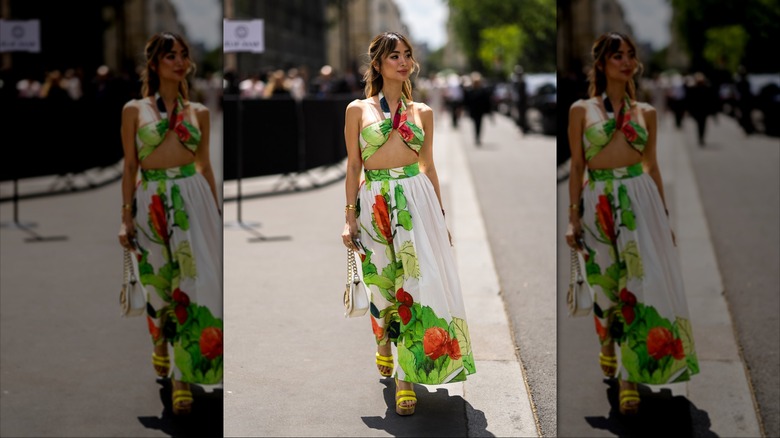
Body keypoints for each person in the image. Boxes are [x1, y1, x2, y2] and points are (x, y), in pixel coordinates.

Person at [342, 32, 476, 416]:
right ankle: (382, 342)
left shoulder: (424, 113)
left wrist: (440, 216)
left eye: (407, 55)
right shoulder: (357, 109)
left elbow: (428, 166)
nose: (403, 61)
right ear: (378, 63)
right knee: (382, 287)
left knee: (413, 288)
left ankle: (405, 378)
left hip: (416, 202)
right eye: (394, 56)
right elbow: (353, 166)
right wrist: (348, 217)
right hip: (375, 203)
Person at [565, 32, 699, 416]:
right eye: (617, 55)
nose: (626, 61)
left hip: (640, 202)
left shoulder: (647, 113)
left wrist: (664, 217)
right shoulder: (581, 110)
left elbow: (652, 166)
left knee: (636, 289)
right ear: (602, 63)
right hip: (598, 202)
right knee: (605, 288)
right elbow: (577, 166)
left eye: (630, 55)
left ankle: (628, 378)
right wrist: (573, 216)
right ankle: (606, 341)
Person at [117, 32, 223, 416]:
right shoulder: (135, 110)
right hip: (151, 202)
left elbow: (205, 166)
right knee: (158, 286)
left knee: (189, 287)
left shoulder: (200, 112)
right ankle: (159, 341)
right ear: (154, 63)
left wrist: (215, 211)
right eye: (169, 55)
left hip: (192, 199)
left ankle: (182, 377)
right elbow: (130, 167)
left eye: (183, 54)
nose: (178, 61)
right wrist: (125, 216)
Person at [464, 71, 493, 146]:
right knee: (475, 124)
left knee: (479, 124)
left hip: (480, 111)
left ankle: (478, 137)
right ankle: (476, 137)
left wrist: (489, 111)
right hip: (473, 111)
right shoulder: (470, 91)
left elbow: (487, 102)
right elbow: (466, 102)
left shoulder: (483, 91)